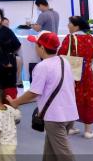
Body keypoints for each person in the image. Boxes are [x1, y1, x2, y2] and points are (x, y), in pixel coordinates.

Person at [9, 32, 78, 161]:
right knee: (51, 152)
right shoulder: (64, 61)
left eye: (36, 44)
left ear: (41, 47)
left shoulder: (42, 66)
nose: (35, 47)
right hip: (69, 113)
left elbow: (34, 92)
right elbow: (72, 85)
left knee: (64, 154)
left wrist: (15, 102)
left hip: (55, 117)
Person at [58, 16, 93, 138]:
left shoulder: (69, 39)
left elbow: (61, 53)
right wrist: (92, 58)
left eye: (70, 23)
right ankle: (88, 131)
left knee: (71, 98)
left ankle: (70, 127)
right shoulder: (90, 38)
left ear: (77, 26)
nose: (68, 25)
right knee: (88, 99)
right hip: (86, 74)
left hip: (71, 74)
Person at [0, 85, 21, 161]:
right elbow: (18, 115)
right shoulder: (7, 107)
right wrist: (12, 103)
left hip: (3, 145)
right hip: (10, 142)